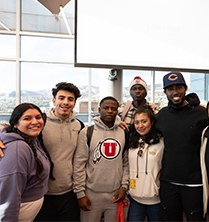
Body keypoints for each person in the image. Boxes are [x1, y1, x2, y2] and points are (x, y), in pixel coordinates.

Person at [155, 72, 209, 221]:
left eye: (179, 87)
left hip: (194, 181)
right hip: (168, 181)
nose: (175, 92)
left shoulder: (201, 113)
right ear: (165, 92)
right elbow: (145, 131)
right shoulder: (161, 115)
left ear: (185, 89)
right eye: (170, 89)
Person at [73, 96, 129, 222]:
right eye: (106, 108)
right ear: (99, 109)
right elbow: (79, 165)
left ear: (117, 111)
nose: (109, 111)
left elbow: (126, 164)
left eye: (113, 109)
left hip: (116, 194)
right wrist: (80, 194)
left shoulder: (124, 133)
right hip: (91, 194)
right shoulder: (87, 132)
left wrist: (124, 187)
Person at [34, 82, 84, 221]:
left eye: (70, 99)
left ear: (74, 103)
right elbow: (12, 125)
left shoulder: (79, 125)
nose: (65, 102)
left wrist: (118, 123)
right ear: (54, 101)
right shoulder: (40, 122)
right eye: (61, 98)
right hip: (42, 193)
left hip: (69, 193)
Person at [0, 103, 54, 221]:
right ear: (15, 124)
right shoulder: (18, 149)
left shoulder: (31, 139)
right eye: (27, 118)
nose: (35, 122)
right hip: (19, 212)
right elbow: (9, 196)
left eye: (38, 117)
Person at [127, 105, 164, 222]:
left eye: (144, 121)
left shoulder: (162, 141)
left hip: (156, 199)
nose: (140, 126)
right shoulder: (131, 140)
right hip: (134, 198)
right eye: (137, 122)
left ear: (152, 122)